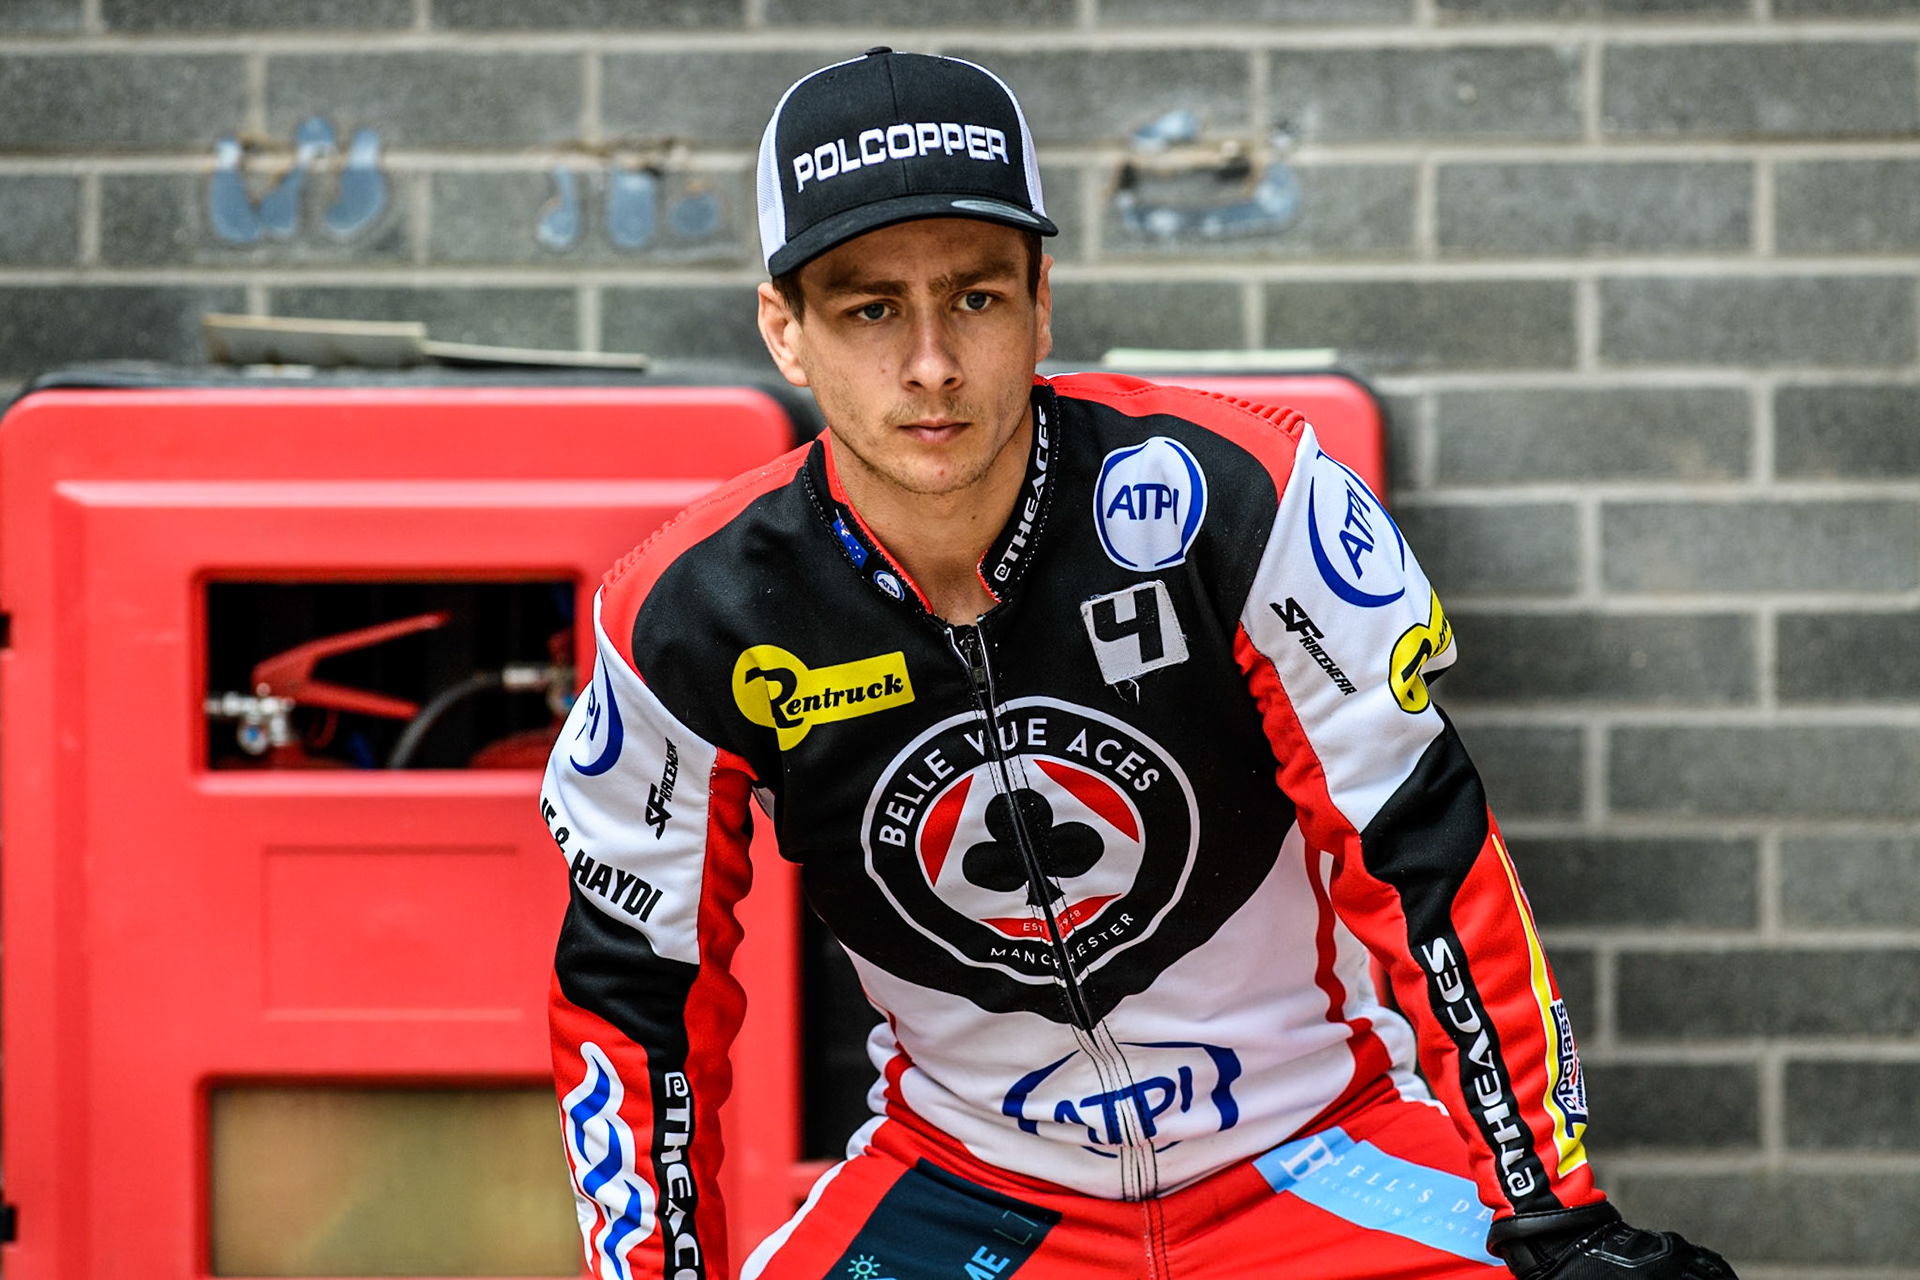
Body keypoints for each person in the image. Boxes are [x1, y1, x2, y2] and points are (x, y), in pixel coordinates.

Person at [541, 48, 1735, 1280]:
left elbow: (1423, 855)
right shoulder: (688, 614)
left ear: (1043, 303)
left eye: (978, 298)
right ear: (784, 331)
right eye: (869, 308)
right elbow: (637, 997)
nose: (933, 362)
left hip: (1318, 1147)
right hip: (968, 1186)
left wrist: (1553, 1210)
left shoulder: (1244, 498)